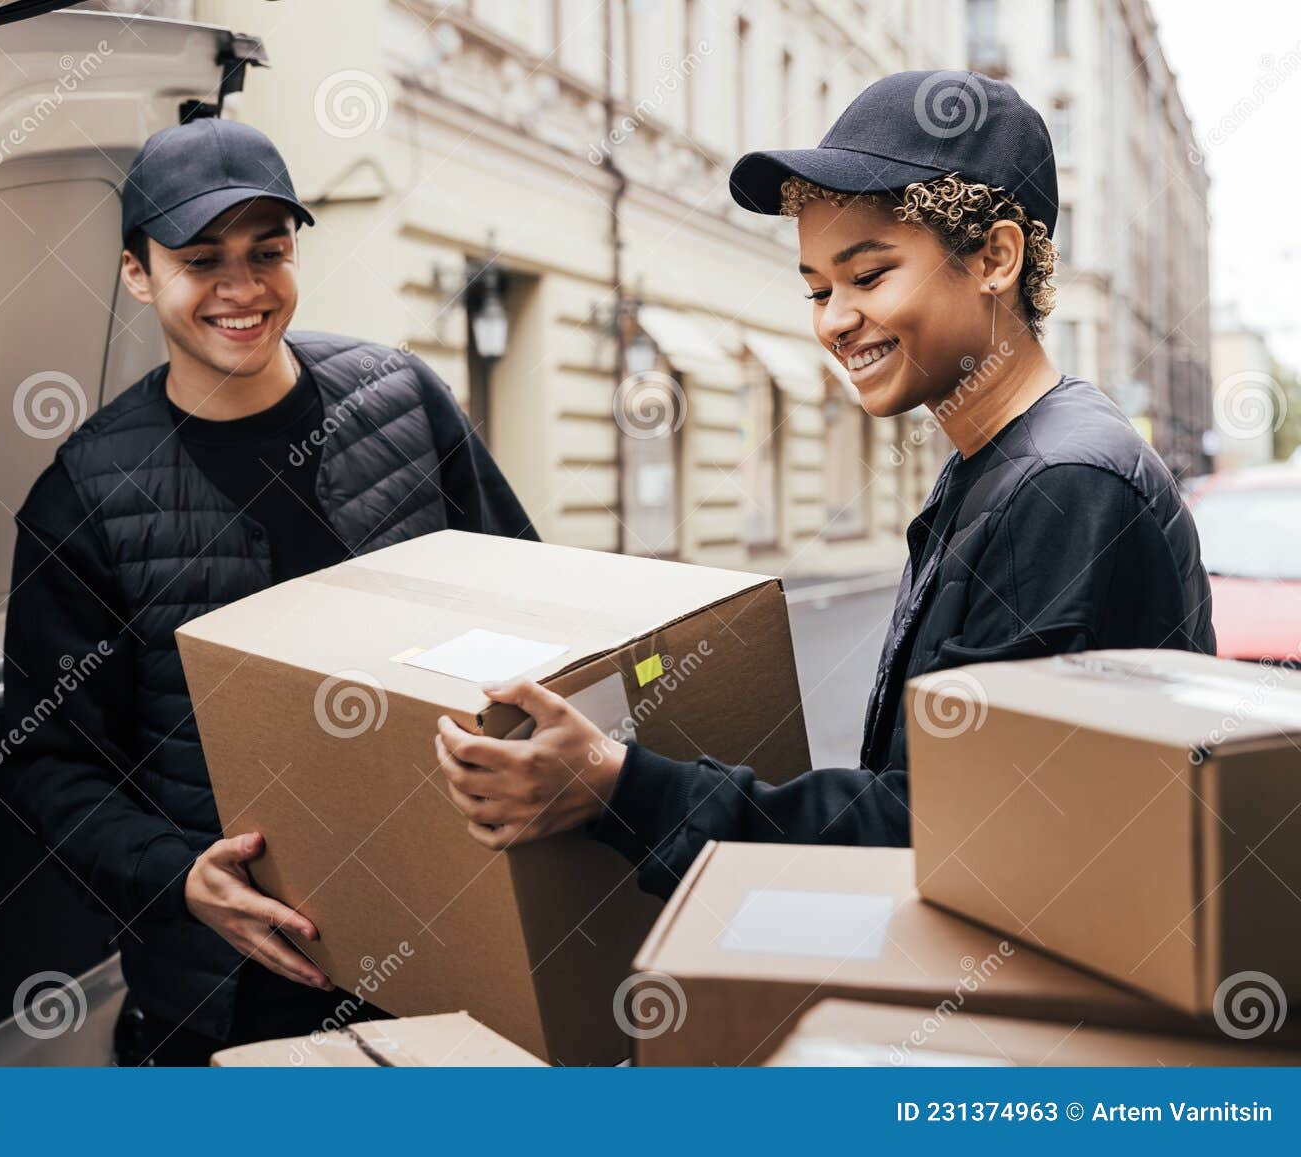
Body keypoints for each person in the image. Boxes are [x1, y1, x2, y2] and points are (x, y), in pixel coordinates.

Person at [432, 70, 1214, 898]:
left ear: (994, 257)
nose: (835, 319)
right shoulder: (1007, 460)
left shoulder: (1067, 483)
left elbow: (948, 832)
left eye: (868, 276)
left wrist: (620, 786)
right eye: (817, 288)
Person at [0, 118, 534, 1064]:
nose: (242, 289)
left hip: (454, 936)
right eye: (202, 259)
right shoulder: (85, 495)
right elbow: (52, 764)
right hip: (222, 990)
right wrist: (181, 879)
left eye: (268, 252)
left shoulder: (403, 400)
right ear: (136, 272)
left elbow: (529, 607)